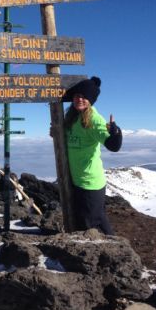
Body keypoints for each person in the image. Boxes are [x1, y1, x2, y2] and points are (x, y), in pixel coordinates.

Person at [62, 76, 122, 234]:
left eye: (84, 96)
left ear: (91, 100)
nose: (79, 99)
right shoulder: (72, 117)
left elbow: (113, 146)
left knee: (89, 227)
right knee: (98, 220)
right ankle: (115, 250)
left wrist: (116, 132)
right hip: (78, 181)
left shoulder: (94, 120)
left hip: (90, 184)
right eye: (76, 95)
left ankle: (110, 254)